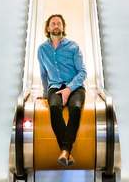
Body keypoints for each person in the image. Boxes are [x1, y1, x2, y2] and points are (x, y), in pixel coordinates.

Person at [37, 14, 87, 167]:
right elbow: (43, 74)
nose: (56, 25)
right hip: (55, 87)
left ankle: (65, 150)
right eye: (53, 23)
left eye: (59, 23)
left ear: (63, 27)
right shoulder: (42, 49)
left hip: (75, 87)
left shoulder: (73, 47)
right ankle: (66, 152)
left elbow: (83, 72)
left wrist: (69, 89)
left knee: (75, 108)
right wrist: (45, 94)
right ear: (48, 28)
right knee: (54, 108)